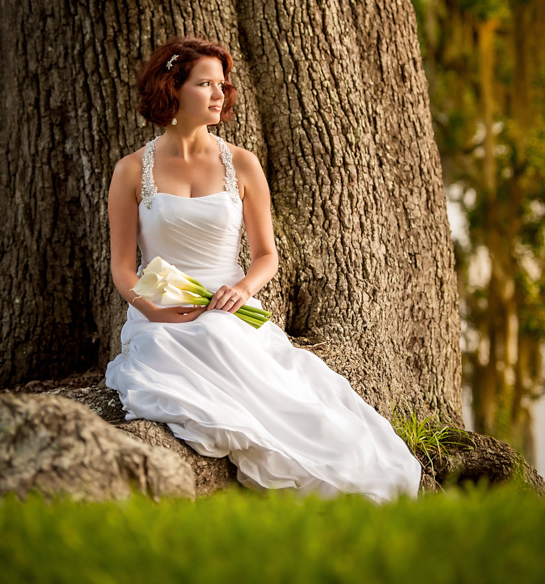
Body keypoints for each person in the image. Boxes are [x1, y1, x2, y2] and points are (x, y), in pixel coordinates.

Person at [105, 35, 422, 502]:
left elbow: (266, 255)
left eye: (222, 84)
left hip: (231, 305)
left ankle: (333, 460)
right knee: (199, 342)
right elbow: (121, 267)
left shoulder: (241, 163)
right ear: (172, 87)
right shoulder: (133, 170)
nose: (220, 94)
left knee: (230, 342)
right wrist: (149, 309)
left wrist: (242, 288)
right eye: (205, 83)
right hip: (162, 310)